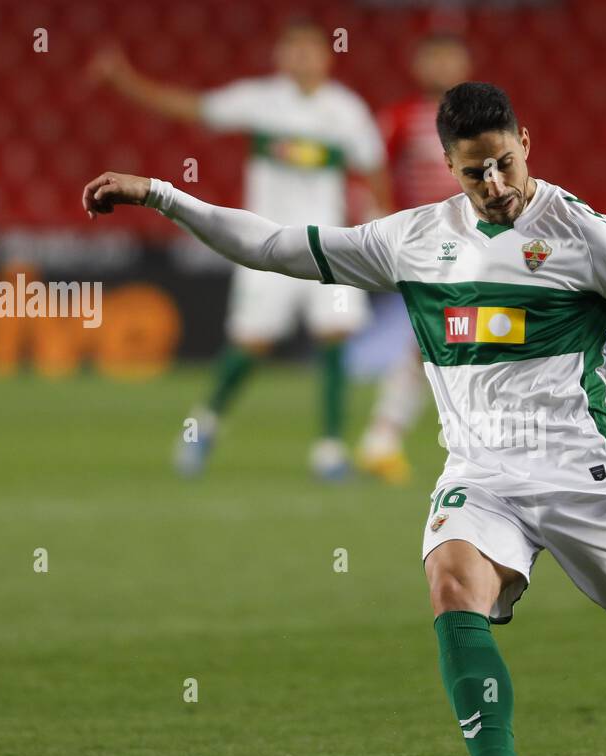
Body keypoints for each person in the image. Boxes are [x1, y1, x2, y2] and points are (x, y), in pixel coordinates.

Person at [81, 82, 606, 756]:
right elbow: (276, 245)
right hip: (481, 477)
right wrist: (161, 194)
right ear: (449, 167)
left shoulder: (589, 238)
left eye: (504, 162)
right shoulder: (413, 240)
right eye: (473, 170)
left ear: (526, 143)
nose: (493, 183)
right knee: (452, 583)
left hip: (583, 478)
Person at [89, 18, 390, 479]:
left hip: (327, 244)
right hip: (265, 244)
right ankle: (203, 425)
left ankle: (329, 451)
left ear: (327, 57)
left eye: (311, 50)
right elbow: (191, 108)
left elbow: (374, 170)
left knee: (335, 336)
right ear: (281, 58)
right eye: (294, 50)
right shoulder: (262, 101)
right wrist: (124, 79)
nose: (303, 58)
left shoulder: (346, 111)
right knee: (251, 344)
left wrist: (381, 226)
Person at [355, 33, 472, 485]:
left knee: (442, 340)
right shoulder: (401, 118)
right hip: (430, 244)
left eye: (452, 57)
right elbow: (372, 170)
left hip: (478, 244)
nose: (443, 67)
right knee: (442, 337)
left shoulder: (480, 119)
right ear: (420, 65)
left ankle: (382, 439)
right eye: (435, 58)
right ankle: (383, 439)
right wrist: (379, 222)